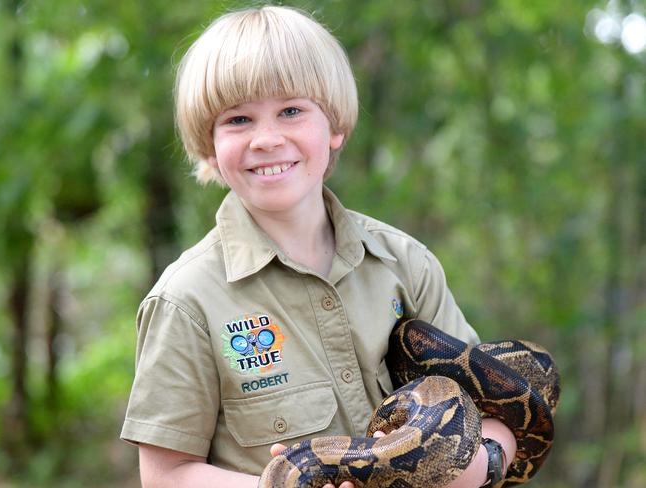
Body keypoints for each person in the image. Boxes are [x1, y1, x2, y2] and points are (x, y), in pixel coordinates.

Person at [120, 5, 516, 488]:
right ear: (210, 146)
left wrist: (485, 463)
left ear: (334, 128)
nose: (266, 139)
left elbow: (497, 409)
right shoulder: (185, 301)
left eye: (291, 110)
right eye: (238, 119)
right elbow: (166, 475)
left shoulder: (406, 264)